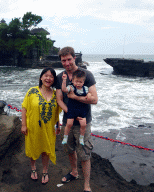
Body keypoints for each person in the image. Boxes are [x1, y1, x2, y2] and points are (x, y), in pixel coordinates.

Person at [56, 46, 98, 192]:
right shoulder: (60, 76)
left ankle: (86, 185)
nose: (67, 63)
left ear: (74, 58)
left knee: (85, 154)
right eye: (63, 60)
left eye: (69, 59)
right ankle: (74, 172)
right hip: (68, 119)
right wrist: (70, 111)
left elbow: (94, 100)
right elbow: (59, 99)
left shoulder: (86, 75)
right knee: (70, 149)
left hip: (83, 121)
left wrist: (75, 98)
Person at [21, 67, 61, 185]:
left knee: (46, 150)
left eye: (51, 77)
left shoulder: (55, 94)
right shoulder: (32, 91)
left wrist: (58, 125)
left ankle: (45, 171)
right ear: (41, 77)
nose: (48, 78)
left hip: (48, 128)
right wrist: (23, 124)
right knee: (33, 148)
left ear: (54, 80)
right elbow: (24, 107)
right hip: (32, 126)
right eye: (46, 76)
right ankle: (33, 168)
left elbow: (57, 112)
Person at [61, 69, 93, 146]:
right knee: (69, 124)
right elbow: (64, 89)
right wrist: (64, 80)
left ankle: (81, 138)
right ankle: (65, 137)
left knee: (83, 125)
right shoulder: (71, 87)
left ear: (83, 82)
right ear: (73, 81)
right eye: (76, 81)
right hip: (72, 109)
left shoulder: (85, 88)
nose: (78, 83)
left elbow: (89, 94)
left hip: (82, 110)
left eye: (80, 82)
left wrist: (88, 95)